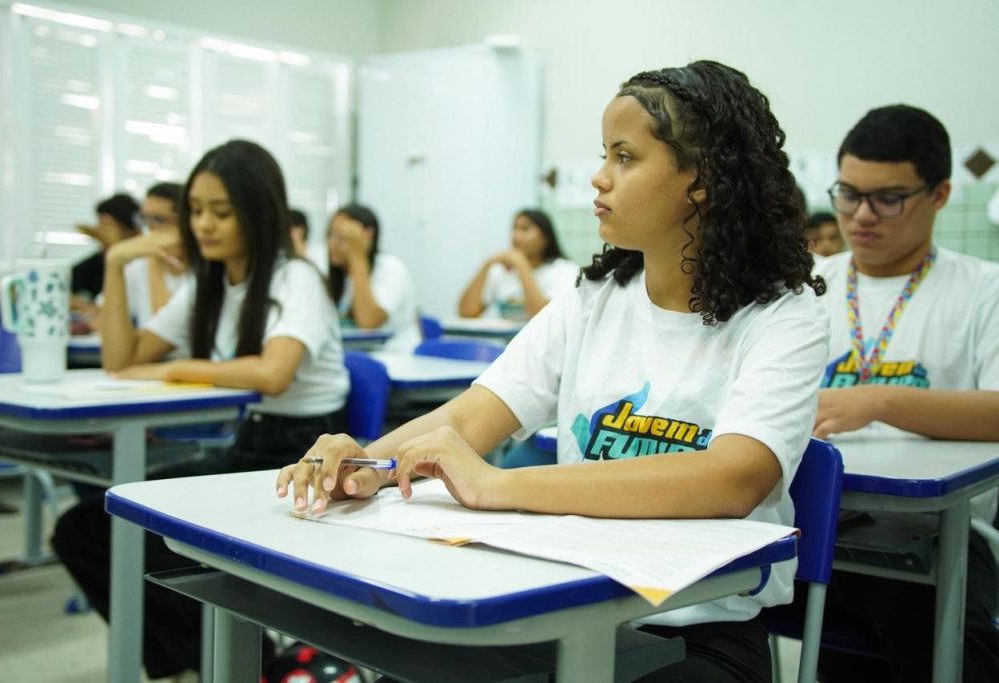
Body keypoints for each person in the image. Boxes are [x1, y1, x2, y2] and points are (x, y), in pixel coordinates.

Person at [278, 60, 829, 682]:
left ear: (701, 181)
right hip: (566, 607)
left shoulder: (784, 314)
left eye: (625, 157)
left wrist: (499, 486)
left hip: (698, 632)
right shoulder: (593, 299)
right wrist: (369, 465)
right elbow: (470, 415)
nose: (598, 178)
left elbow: (734, 477)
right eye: (604, 155)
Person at [53, 139, 350, 680]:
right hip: (250, 444)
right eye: (195, 211)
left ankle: (241, 664)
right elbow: (121, 359)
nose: (203, 225)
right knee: (89, 526)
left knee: (143, 531)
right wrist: (118, 263)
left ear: (257, 213)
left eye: (221, 211)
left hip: (305, 455)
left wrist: (176, 366)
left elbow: (272, 372)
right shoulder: (207, 283)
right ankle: (196, 664)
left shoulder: (294, 277)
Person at [810, 104, 999, 682]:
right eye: (848, 193)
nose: (861, 216)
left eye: (888, 198)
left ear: (939, 194)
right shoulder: (808, 287)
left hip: (943, 536)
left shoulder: (982, 289)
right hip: (816, 521)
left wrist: (877, 400)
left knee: (927, 626)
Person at [87, 182, 188, 335]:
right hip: (148, 356)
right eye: (144, 218)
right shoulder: (137, 265)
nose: (149, 228)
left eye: (158, 219)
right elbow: (101, 318)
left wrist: (154, 258)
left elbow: (169, 330)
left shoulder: (206, 267)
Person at [326, 204, 421, 351]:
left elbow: (368, 322)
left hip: (395, 356)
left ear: (368, 236)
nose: (332, 244)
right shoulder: (339, 273)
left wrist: (357, 256)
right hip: (355, 355)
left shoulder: (390, 267)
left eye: (342, 237)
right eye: (330, 234)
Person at [458, 209, 580, 320]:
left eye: (525, 229)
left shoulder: (564, 270)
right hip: (510, 343)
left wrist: (522, 265)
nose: (517, 236)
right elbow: (466, 313)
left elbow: (542, 316)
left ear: (545, 238)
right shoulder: (501, 272)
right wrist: (487, 264)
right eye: (514, 229)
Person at [70, 193, 141, 316]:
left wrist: (114, 247)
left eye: (108, 225)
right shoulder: (93, 263)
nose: (100, 229)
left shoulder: (143, 262)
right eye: (99, 223)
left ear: (132, 230)